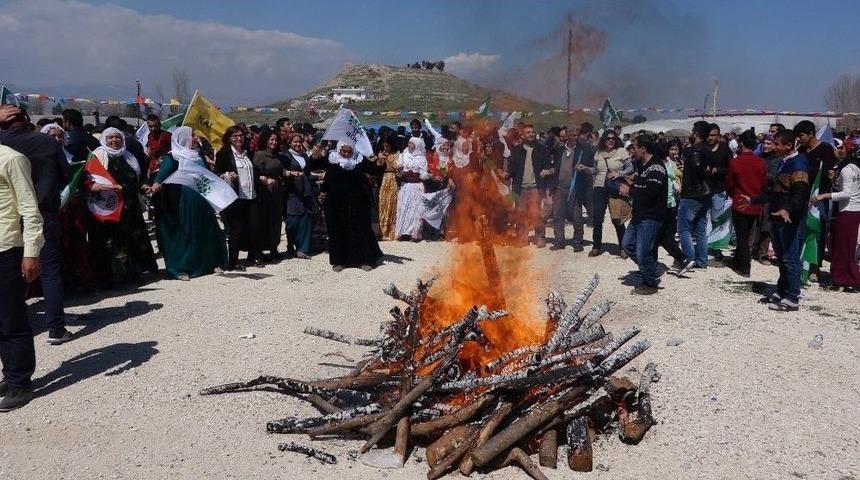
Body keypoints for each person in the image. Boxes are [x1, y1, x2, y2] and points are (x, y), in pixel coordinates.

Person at [0, 106, 72, 344]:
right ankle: (56, 329)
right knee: (49, 270)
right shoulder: (47, 142)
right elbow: (66, 175)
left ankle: (16, 327)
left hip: (8, 218)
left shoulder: (2, 146)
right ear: (27, 120)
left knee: (9, 278)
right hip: (42, 212)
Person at [743, 130, 809, 312]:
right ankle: (782, 290)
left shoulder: (799, 163)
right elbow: (775, 191)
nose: (775, 147)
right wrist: (753, 200)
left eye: (778, 144)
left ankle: (792, 297)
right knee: (782, 257)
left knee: (790, 257)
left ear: (788, 145)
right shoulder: (785, 162)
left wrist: (787, 209)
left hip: (789, 218)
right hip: (776, 215)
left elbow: (801, 193)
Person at [150, 127, 227, 280]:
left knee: (205, 231)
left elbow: (206, 174)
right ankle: (181, 268)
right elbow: (161, 175)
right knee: (185, 233)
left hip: (202, 200)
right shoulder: (172, 158)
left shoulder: (198, 155)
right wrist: (156, 185)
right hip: (182, 202)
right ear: (183, 138)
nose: (194, 137)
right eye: (191, 135)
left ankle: (209, 262)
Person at [0, 143, 44, 411]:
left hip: (6, 248)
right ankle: (10, 373)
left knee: (10, 318)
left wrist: (31, 253)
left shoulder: (12, 159)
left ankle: (21, 382)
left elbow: (30, 210)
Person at [87, 128, 158, 285]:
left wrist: (144, 186)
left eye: (117, 137)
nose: (114, 140)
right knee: (111, 241)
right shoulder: (98, 155)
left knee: (130, 240)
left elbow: (138, 178)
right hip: (109, 208)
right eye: (110, 137)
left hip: (130, 208)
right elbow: (89, 179)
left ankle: (132, 273)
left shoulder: (128, 156)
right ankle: (111, 277)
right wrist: (101, 187)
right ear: (104, 139)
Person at [315, 141, 383, 271]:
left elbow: (375, 170)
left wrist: (380, 162)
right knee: (336, 230)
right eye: (343, 151)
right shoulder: (331, 158)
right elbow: (314, 165)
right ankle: (339, 261)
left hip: (358, 201)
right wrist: (315, 155)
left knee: (361, 229)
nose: (346, 154)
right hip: (335, 202)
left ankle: (365, 259)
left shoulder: (359, 159)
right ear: (339, 149)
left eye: (349, 151)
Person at [622, 134, 668, 295]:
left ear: (643, 148)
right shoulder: (642, 165)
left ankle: (650, 283)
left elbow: (651, 193)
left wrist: (631, 190)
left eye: (635, 147)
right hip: (639, 215)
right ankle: (651, 268)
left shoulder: (656, 167)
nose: (632, 150)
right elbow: (640, 185)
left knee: (642, 252)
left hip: (651, 216)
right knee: (627, 244)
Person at [812, 142, 860, 290]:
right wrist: (834, 181)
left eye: (840, 148)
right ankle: (845, 277)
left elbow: (847, 194)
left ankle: (842, 279)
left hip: (847, 211)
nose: (836, 151)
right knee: (843, 245)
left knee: (841, 247)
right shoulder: (854, 167)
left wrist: (825, 195)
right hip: (853, 210)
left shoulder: (846, 170)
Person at [794, 120, 837, 283]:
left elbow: (829, 173)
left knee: (817, 231)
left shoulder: (826, 149)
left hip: (820, 197)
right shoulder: (802, 151)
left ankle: (814, 266)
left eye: (801, 135)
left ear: (811, 133)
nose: (799, 139)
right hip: (804, 195)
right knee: (802, 230)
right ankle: (801, 260)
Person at [215, 125, 262, 270]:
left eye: (240, 135)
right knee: (235, 229)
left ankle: (254, 256)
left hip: (251, 195)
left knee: (254, 226)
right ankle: (233, 262)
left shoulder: (249, 153)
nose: (238, 138)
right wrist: (227, 175)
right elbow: (217, 173)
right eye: (235, 136)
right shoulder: (224, 154)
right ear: (229, 138)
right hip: (235, 197)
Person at [725, 130, 766, 277]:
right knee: (748, 234)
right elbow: (764, 184)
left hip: (739, 202)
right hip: (755, 203)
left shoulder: (735, 162)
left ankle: (744, 265)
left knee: (741, 236)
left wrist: (733, 194)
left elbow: (730, 183)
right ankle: (738, 260)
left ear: (741, 143)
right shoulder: (761, 162)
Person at [676, 121, 714, 276]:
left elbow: (698, 169)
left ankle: (689, 257)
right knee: (700, 227)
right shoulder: (709, 149)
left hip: (692, 194)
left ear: (696, 133)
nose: (691, 133)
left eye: (692, 131)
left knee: (683, 228)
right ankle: (702, 260)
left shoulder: (694, 150)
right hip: (706, 193)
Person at [506, 124, 554, 247]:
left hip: (535, 188)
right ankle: (522, 237)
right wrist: (506, 174)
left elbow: (548, 164)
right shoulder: (516, 150)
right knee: (520, 214)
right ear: (522, 135)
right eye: (528, 133)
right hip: (520, 188)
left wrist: (547, 170)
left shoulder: (541, 149)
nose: (531, 134)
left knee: (536, 214)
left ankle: (539, 237)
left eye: (533, 132)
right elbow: (511, 168)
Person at [590, 129, 631, 257]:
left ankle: (623, 248)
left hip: (614, 187)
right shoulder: (598, 153)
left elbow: (631, 167)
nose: (611, 140)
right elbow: (594, 169)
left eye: (613, 138)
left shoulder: (621, 151)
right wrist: (586, 170)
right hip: (599, 188)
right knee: (597, 219)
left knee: (617, 219)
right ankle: (596, 246)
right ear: (604, 139)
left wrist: (619, 174)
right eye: (608, 138)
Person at [550, 127, 592, 251]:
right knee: (558, 215)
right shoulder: (560, 150)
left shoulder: (582, 150)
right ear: (567, 136)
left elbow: (590, 168)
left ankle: (578, 242)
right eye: (573, 135)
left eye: (577, 135)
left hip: (575, 188)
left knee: (577, 216)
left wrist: (583, 168)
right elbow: (555, 165)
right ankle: (559, 242)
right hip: (559, 188)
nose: (576, 137)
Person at [252, 130, 285, 261]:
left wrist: (290, 173)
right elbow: (255, 173)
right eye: (271, 140)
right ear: (266, 140)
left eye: (276, 140)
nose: (274, 142)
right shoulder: (260, 155)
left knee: (276, 221)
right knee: (263, 221)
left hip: (276, 192)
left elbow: (281, 171)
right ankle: (259, 251)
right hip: (264, 192)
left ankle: (273, 248)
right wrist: (264, 179)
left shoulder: (277, 156)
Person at [282, 133, 316, 259]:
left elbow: (307, 173)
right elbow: (282, 171)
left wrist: (318, 175)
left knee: (305, 218)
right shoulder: (286, 156)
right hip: (292, 191)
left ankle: (303, 248)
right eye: (295, 142)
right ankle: (291, 245)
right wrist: (291, 174)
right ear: (290, 142)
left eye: (299, 142)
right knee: (292, 219)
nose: (297, 144)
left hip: (305, 191)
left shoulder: (304, 156)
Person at [657, 139, 686, 268]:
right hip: (669, 196)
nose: (674, 152)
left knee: (673, 224)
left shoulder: (681, 162)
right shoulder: (666, 162)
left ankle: (674, 250)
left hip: (678, 195)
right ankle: (673, 249)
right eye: (672, 149)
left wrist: (683, 169)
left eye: (676, 149)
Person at [706, 123, 733, 261]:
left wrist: (717, 170)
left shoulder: (725, 150)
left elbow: (730, 169)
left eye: (713, 135)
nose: (710, 138)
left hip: (718, 189)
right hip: (703, 190)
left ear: (718, 135)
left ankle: (716, 247)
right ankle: (703, 245)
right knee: (702, 219)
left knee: (717, 219)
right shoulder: (701, 148)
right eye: (708, 135)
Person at [395, 137, 429, 241]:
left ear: (417, 145)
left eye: (412, 143)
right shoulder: (403, 156)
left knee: (416, 208)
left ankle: (415, 233)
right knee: (404, 207)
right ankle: (404, 232)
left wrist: (418, 174)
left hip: (417, 185)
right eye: (409, 143)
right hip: (406, 185)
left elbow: (425, 173)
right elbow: (398, 173)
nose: (409, 145)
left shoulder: (422, 158)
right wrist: (400, 170)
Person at [754, 134, 780, 264]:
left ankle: (763, 253)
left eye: (769, 144)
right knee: (754, 224)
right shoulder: (758, 157)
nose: (765, 146)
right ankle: (752, 250)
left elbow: (776, 178)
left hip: (769, 196)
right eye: (764, 143)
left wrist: (763, 173)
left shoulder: (778, 160)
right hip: (756, 194)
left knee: (766, 226)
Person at [375, 140, 399, 240]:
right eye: (383, 146)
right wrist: (382, 159)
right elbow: (377, 167)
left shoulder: (396, 155)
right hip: (383, 179)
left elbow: (396, 168)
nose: (385, 148)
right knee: (383, 203)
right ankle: (382, 231)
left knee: (392, 202)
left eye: (387, 146)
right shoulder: (379, 156)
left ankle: (391, 231)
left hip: (393, 179)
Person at [145, 114, 172, 180]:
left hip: (164, 165)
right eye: (151, 126)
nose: (153, 129)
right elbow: (149, 146)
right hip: (153, 166)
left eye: (155, 126)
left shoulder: (166, 135)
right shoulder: (149, 135)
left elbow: (175, 149)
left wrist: (165, 157)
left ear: (160, 125)